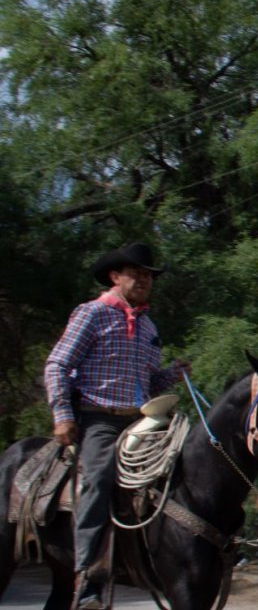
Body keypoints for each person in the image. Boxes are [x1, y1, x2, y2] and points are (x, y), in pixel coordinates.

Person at [44, 242, 189, 610]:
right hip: (99, 420)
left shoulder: (148, 326)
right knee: (98, 479)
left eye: (148, 276)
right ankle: (86, 578)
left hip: (141, 418)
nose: (144, 280)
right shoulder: (92, 314)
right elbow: (57, 364)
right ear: (115, 276)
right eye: (136, 274)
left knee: (186, 468)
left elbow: (148, 382)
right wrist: (62, 414)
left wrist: (172, 375)